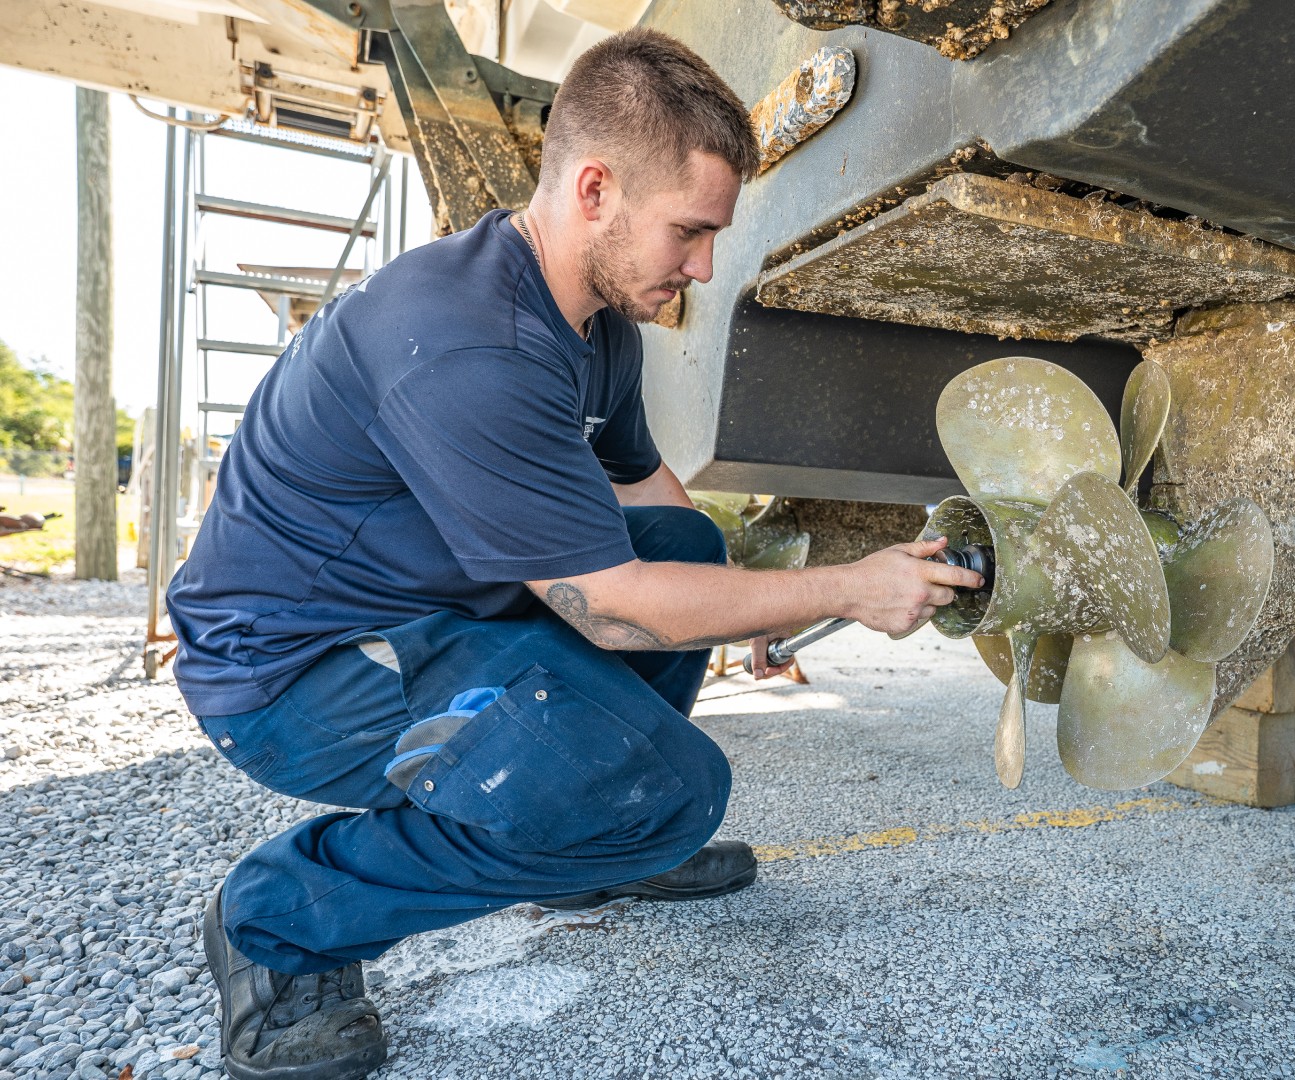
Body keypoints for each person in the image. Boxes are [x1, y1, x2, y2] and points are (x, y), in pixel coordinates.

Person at [166, 28, 981, 1080]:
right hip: (292, 674)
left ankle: (573, 838)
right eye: (689, 232)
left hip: (429, 613)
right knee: (670, 796)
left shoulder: (597, 324)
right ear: (595, 188)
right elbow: (613, 607)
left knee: (686, 547)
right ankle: (276, 923)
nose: (703, 268)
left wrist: (766, 607)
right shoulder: (469, 345)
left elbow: (649, 497)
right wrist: (847, 589)